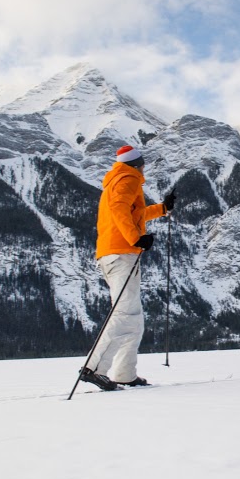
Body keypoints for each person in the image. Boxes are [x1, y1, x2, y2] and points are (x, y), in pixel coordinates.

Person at [79, 145, 176, 391]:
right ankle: (94, 369)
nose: (145, 165)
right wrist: (136, 238)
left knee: (134, 318)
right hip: (120, 253)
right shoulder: (128, 179)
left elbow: (135, 213)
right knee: (124, 314)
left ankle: (124, 374)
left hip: (116, 253)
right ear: (137, 163)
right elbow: (119, 210)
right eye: (143, 162)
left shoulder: (118, 180)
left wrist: (162, 209)